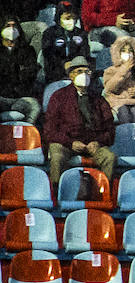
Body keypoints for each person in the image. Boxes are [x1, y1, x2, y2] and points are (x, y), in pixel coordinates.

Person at [45, 57, 117, 186]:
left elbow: (110, 129)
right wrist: (70, 142)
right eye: (79, 71)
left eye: (87, 71)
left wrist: (98, 142)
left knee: (109, 157)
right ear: (71, 75)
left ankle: (102, 193)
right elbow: (49, 130)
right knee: (57, 157)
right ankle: (56, 192)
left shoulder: (98, 99)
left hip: (93, 144)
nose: (84, 75)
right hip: (66, 143)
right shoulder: (59, 96)